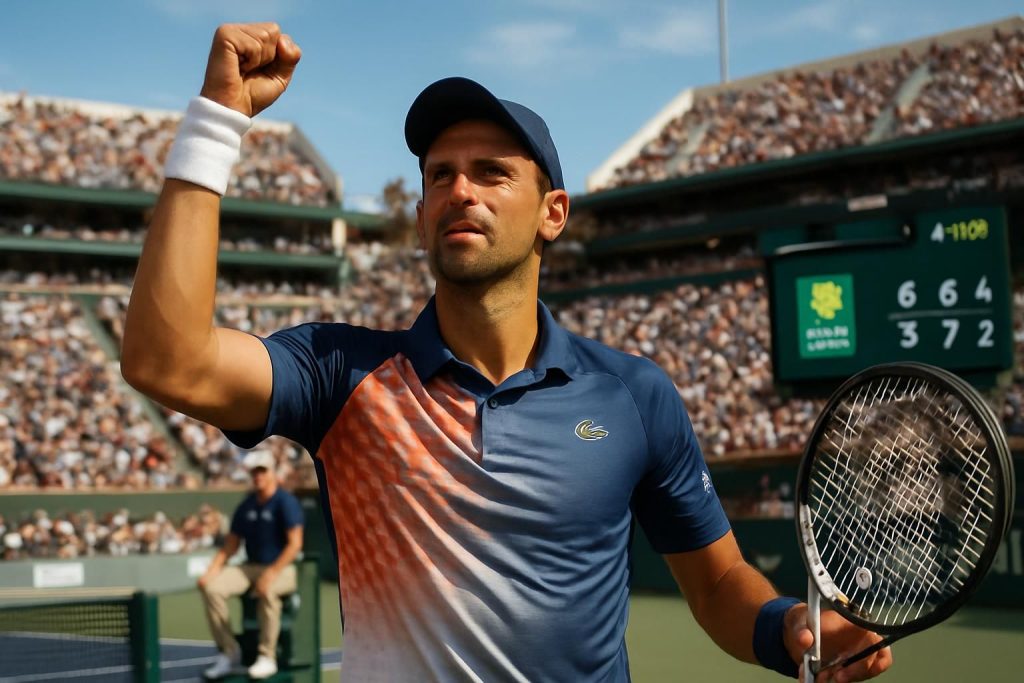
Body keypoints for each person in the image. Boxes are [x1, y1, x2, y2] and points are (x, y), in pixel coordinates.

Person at [121, 22, 893, 682]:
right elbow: (168, 361)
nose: (462, 189)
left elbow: (719, 579)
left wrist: (788, 625)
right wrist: (217, 120)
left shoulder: (633, 393)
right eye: (441, 175)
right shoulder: (338, 372)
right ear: (421, 215)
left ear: (552, 212)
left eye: (492, 172)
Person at [197, 450, 304, 680]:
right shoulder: (246, 506)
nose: (258, 476)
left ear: (272, 473)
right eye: (254, 472)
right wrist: (211, 571)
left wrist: (271, 574)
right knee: (212, 588)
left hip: (282, 568)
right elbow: (230, 546)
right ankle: (229, 652)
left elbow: (295, 544)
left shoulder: (286, 503)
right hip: (251, 567)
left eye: (262, 470)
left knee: (267, 590)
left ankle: (267, 656)